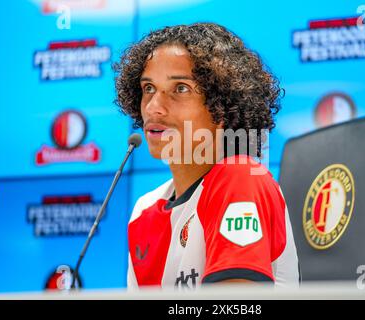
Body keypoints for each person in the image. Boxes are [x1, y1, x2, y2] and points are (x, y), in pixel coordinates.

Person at [114, 22, 299, 289]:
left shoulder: (240, 178)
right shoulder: (144, 209)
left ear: (221, 108)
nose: (153, 107)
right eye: (149, 89)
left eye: (180, 89)